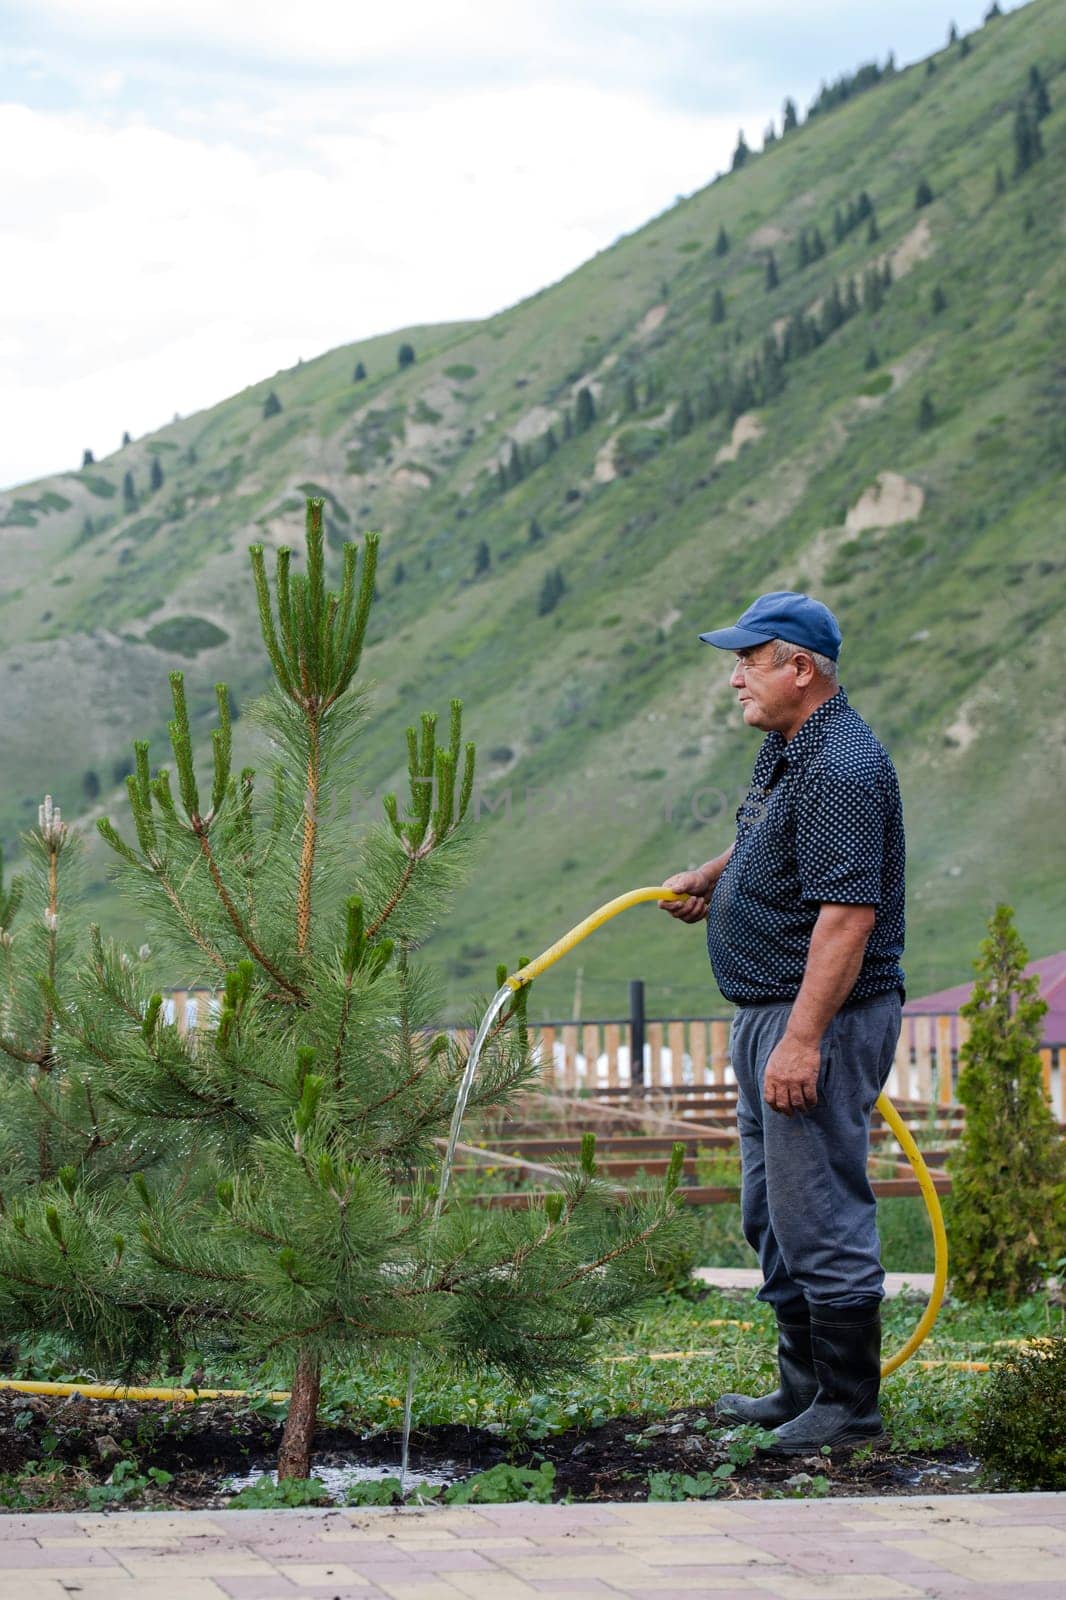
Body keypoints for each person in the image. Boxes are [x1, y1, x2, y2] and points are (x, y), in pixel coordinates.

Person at [659, 591, 905, 1455]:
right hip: (770, 1012)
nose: (733, 680)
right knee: (772, 1210)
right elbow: (771, 836)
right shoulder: (788, 752)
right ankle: (802, 1388)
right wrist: (716, 875)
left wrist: (803, 1038)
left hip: (817, 1020)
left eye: (748, 661)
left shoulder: (842, 764)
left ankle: (847, 1409)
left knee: (818, 1209)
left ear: (801, 669)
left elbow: (847, 915)